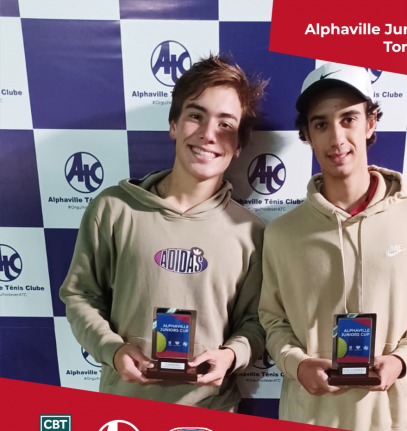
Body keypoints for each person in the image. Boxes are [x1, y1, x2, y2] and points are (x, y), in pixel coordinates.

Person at [259, 62, 407, 431]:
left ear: (370, 122)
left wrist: (401, 360)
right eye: (321, 124)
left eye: (348, 119)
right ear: (307, 135)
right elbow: (272, 320)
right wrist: (296, 363)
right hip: (306, 429)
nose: (336, 138)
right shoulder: (282, 233)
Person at [60, 56, 267, 411]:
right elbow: (80, 296)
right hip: (124, 415)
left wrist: (232, 355)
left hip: (212, 416)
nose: (208, 134)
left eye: (225, 124)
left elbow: (258, 322)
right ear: (173, 124)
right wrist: (112, 350)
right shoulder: (113, 209)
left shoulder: (251, 233)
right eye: (196, 116)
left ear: (238, 146)